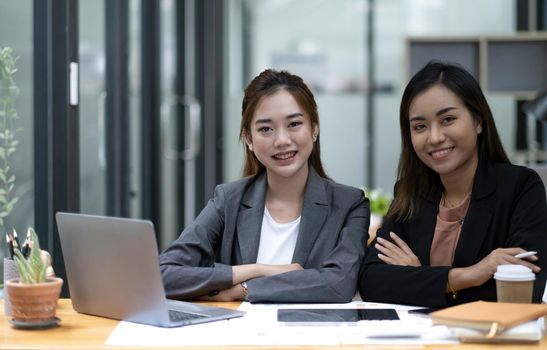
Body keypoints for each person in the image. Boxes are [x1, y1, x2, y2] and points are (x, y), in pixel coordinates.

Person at [160, 69, 369, 303]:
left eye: (294, 124)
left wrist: (244, 289)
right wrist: (258, 269)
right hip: (240, 336)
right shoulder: (228, 200)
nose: (281, 140)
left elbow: (338, 284)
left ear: (315, 129)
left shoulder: (350, 204)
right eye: (265, 129)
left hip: (310, 337)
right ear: (248, 139)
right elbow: (163, 275)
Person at [359, 61, 547, 307]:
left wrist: (420, 276)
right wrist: (466, 276)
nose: (435, 137)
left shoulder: (520, 187)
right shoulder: (410, 193)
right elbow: (371, 282)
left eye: (447, 119)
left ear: (478, 121)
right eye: (420, 127)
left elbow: (524, 290)